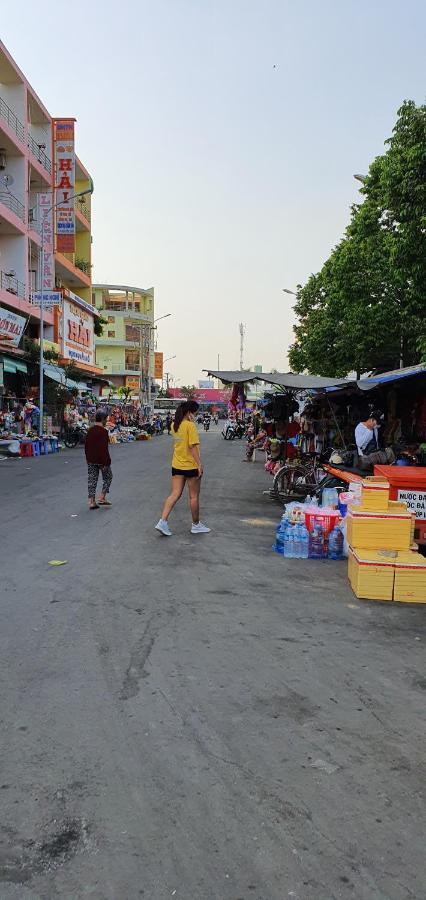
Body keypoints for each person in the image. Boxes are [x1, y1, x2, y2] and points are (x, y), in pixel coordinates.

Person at [156, 400, 210, 536]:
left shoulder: (175, 425)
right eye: (195, 412)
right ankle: (196, 525)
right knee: (193, 496)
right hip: (190, 466)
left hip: (177, 465)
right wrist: (199, 464)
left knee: (174, 494)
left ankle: (162, 521)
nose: (196, 414)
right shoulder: (190, 426)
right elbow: (192, 447)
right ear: (189, 412)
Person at [84, 410, 113, 509]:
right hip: (102, 461)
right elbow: (104, 449)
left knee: (92, 480)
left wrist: (88, 459)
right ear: (102, 419)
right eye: (105, 419)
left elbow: (86, 446)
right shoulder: (103, 432)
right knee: (108, 477)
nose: (106, 421)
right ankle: (102, 497)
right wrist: (106, 462)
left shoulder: (90, 430)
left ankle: (92, 501)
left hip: (91, 459)